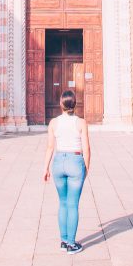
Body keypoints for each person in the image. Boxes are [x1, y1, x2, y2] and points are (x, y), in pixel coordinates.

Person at [43, 89, 90, 253]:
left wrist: (45, 168)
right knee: (73, 204)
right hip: (75, 161)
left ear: (60, 104)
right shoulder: (81, 122)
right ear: (75, 104)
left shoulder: (53, 123)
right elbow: (86, 147)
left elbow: (50, 147)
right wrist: (86, 167)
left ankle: (63, 240)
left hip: (58, 163)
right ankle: (71, 243)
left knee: (62, 203)